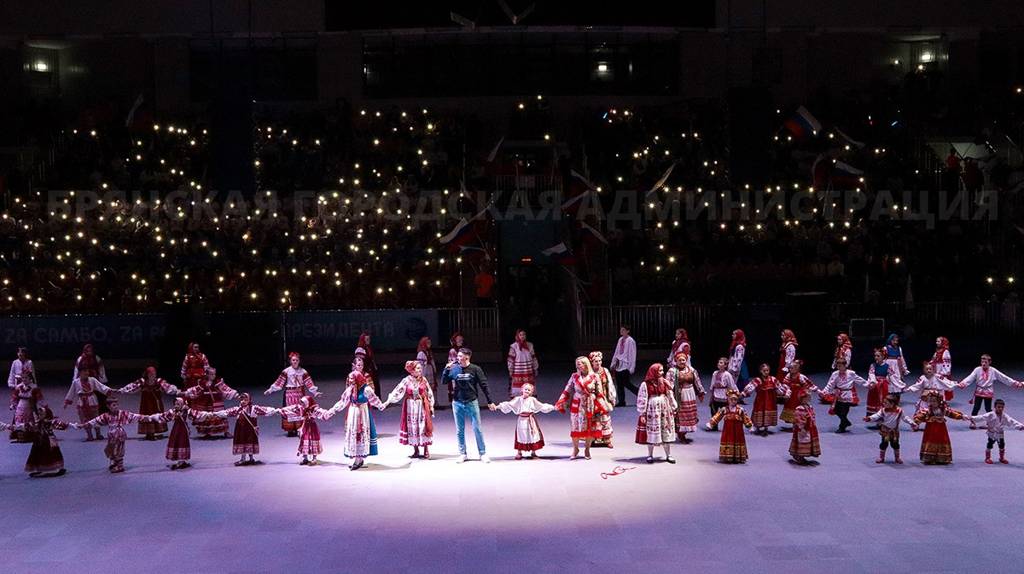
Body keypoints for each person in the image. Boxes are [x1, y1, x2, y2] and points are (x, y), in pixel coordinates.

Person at [442, 348, 495, 463]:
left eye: (460, 356)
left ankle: (483, 453)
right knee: (459, 430)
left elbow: (484, 385)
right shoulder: (455, 369)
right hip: (457, 403)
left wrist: (489, 401)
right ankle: (462, 453)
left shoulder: (475, 369)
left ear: (467, 357)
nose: (457, 358)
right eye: (458, 356)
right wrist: (446, 370)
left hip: (471, 402)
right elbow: (444, 381)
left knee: (477, 429)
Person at [73, 395, 152, 473]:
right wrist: (83, 425)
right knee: (111, 450)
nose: (116, 407)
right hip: (111, 435)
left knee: (119, 450)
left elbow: (135, 416)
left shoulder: (122, 413)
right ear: (108, 406)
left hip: (119, 435)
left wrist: (148, 417)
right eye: (114, 405)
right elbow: (95, 421)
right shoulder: (106, 415)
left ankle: (120, 466)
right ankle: (114, 463)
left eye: (117, 405)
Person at [327, 372, 384, 470]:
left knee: (360, 434)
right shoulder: (350, 389)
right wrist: (332, 411)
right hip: (353, 414)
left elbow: (374, 400)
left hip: (363, 414)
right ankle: (359, 459)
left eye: (352, 379)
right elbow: (342, 401)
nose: (350, 381)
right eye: (349, 378)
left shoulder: (366, 389)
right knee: (354, 434)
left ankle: (358, 459)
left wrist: (381, 406)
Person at [150, 398, 223, 470]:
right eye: (175, 404)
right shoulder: (173, 412)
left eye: (178, 404)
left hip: (183, 430)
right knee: (176, 442)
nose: (176, 406)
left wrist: (210, 414)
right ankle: (179, 461)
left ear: (182, 404)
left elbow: (197, 414)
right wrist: (151, 418)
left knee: (182, 443)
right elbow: (163, 416)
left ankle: (181, 461)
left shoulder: (187, 411)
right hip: (175, 430)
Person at [555, 356, 605, 460]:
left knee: (589, 427)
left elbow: (600, 392)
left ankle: (587, 449)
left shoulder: (595, 376)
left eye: (580, 363)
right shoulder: (574, 376)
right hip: (577, 404)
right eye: (577, 364)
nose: (578, 366)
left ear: (586, 364)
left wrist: (601, 405)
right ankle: (575, 448)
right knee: (575, 427)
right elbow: (567, 389)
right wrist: (561, 400)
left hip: (590, 404)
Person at [382, 361, 435, 459]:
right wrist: (388, 402)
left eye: (420, 368)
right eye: (418, 368)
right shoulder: (406, 380)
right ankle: (415, 450)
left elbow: (429, 393)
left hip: (421, 406)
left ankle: (426, 449)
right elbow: (397, 391)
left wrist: (431, 405)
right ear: (412, 370)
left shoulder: (423, 380)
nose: (420, 370)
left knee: (422, 426)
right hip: (411, 406)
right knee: (413, 427)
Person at [210, 393, 280, 466]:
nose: (243, 401)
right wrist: (215, 414)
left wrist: (275, 411)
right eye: (242, 399)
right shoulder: (237, 409)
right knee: (242, 441)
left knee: (250, 441)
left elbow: (265, 410)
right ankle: (243, 459)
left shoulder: (254, 408)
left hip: (250, 430)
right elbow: (227, 412)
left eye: (245, 400)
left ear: (249, 400)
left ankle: (251, 458)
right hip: (241, 430)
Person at [264, 352, 321, 437]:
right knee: (289, 410)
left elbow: (309, 383)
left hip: (299, 394)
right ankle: (290, 429)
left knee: (300, 410)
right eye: (293, 360)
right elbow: (280, 382)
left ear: (299, 361)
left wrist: (315, 392)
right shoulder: (286, 371)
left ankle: (299, 429)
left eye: (296, 360)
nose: (295, 362)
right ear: (290, 361)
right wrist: (271, 390)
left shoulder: (303, 371)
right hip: (289, 394)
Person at [116, 366, 181, 440]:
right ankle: (149, 433)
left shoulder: (159, 382)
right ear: (147, 374)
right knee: (147, 416)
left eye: (154, 373)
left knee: (157, 415)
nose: (153, 375)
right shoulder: (142, 382)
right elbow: (132, 387)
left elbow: (167, 387)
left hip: (156, 404)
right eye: (151, 374)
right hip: (146, 404)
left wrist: (177, 391)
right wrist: (122, 390)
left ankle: (154, 431)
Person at [494, 382, 556, 459]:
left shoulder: (532, 400)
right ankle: (519, 452)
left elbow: (542, 406)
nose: (527, 391)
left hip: (530, 420)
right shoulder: (518, 399)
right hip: (521, 420)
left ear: (531, 392)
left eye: (529, 390)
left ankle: (533, 452)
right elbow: (508, 405)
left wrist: (554, 407)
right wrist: (497, 407)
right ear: (522, 390)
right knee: (521, 435)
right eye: (525, 389)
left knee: (532, 435)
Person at [956, 354, 1022, 424]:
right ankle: (973, 422)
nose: (983, 364)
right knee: (976, 407)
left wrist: (1015, 383)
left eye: (985, 362)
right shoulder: (977, 370)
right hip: (979, 391)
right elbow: (970, 377)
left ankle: (990, 423)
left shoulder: (993, 370)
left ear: (989, 362)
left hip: (988, 392)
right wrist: (963, 383)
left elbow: (1003, 377)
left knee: (988, 409)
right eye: (982, 362)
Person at [635, 363, 678, 464]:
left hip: (664, 408)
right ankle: (650, 455)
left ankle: (668, 455)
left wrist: (673, 406)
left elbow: (669, 394)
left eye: (662, 370)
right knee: (652, 432)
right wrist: (642, 413)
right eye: (660, 371)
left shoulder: (665, 382)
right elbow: (642, 398)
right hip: (652, 410)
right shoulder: (645, 384)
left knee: (666, 431)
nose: (662, 373)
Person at [180, 367, 238, 438]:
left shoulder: (218, 382)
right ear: (207, 374)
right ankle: (207, 432)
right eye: (211, 374)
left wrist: (236, 395)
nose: (213, 376)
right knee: (206, 417)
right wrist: (188, 392)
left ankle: (226, 431)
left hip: (217, 402)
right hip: (206, 403)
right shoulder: (202, 382)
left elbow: (225, 388)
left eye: (214, 374)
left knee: (221, 415)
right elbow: (196, 389)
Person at [818, 357, 871, 433]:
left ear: (845, 365)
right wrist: (824, 392)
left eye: (840, 366)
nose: (838, 367)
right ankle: (846, 421)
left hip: (847, 394)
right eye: (837, 366)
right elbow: (830, 384)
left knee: (844, 411)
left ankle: (842, 427)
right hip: (839, 394)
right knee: (836, 410)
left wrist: (868, 385)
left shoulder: (851, 373)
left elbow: (859, 380)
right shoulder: (835, 374)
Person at [965, 398, 1024, 464]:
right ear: (995, 407)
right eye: (999, 407)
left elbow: (1012, 421)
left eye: (1002, 407)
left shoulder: (1005, 416)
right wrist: (971, 418)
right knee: (990, 445)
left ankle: (1001, 458)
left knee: (1002, 445)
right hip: (992, 433)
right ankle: (987, 458)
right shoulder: (990, 414)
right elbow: (981, 417)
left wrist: (1020, 426)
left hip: (1000, 433)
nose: (1000, 409)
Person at [912, 393, 965, 465]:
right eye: (930, 401)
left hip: (941, 429)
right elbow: (920, 416)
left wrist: (961, 416)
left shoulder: (943, 409)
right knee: (931, 440)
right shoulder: (927, 410)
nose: (932, 403)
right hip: (931, 429)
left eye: (934, 401)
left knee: (942, 440)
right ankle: (930, 458)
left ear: (938, 401)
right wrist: (916, 421)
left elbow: (951, 413)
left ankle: (942, 458)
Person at [21, 405, 73, 477]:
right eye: (39, 414)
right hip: (38, 442)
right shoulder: (37, 423)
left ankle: (57, 468)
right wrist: (11, 427)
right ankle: (40, 469)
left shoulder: (50, 422)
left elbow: (64, 425)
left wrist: (77, 425)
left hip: (49, 441)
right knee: (38, 455)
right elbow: (26, 426)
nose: (39, 415)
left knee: (53, 454)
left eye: (41, 414)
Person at [863, 394, 914, 464]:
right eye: (884, 402)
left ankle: (897, 457)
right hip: (885, 430)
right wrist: (869, 418)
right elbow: (877, 415)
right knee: (884, 444)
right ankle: (881, 457)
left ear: (892, 403)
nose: (883, 404)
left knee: (895, 444)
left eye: (886, 403)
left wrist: (912, 423)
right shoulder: (883, 410)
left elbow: (905, 418)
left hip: (894, 431)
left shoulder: (899, 411)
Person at [63, 370, 115, 441]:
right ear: (80, 373)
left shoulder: (92, 380)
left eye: (87, 371)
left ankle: (98, 434)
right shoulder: (76, 382)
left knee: (96, 417)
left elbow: (100, 386)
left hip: (92, 401)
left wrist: (109, 391)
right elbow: (71, 392)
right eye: (84, 372)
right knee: (84, 419)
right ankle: (89, 435)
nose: (86, 373)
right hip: (82, 403)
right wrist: (67, 402)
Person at [705, 390, 753, 463]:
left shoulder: (740, 410)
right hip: (728, 431)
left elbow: (745, 418)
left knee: (737, 441)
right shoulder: (725, 409)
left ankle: (737, 457)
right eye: (731, 399)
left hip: (738, 431)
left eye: (735, 399)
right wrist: (711, 424)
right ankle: (727, 456)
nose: (733, 401)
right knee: (728, 441)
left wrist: (749, 426)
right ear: (728, 400)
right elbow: (717, 416)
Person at [667, 352, 704, 443]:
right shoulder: (672, 371)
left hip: (690, 393)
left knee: (689, 414)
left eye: (683, 360)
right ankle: (681, 434)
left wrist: (701, 392)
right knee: (680, 414)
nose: (682, 362)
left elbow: (697, 381)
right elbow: (668, 384)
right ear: (676, 361)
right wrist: (668, 394)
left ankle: (684, 433)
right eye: (679, 360)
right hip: (680, 395)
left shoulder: (691, 369)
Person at [742, 363, 788, 435]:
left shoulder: (773, 379)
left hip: (770, 401)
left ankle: (766, 427)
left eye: (767, 370)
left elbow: (779, 387)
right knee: (760, 411)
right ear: (761, 371)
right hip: (760, 401)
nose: (766, 372)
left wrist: (785, 393)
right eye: (764, 371)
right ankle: (758, 427)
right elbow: (750, 387)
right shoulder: (758, 380)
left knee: (768, 412)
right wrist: (743, 394)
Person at [588, 351, 617, 447]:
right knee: (593, 419)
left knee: (605, 418)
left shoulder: (605, 371)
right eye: (596, 361)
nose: (598, 363)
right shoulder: (589, 372)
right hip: (592, 399)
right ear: (591, 362)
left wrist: (611, 397)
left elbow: (610, 384)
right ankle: (593, 438)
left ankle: (607, 439)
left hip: (603, 398)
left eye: (599, 361)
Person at [73, 343, 109, 415]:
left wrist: (103, 379)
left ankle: (102, 413)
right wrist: (75, 380)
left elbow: (101, 369)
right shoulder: (80, 359)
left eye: (91, 351)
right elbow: (76, 370)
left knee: (100, 397)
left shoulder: (96, 358)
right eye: (88, 351)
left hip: (95, 380)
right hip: (84, 381)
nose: (89, 352)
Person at [9, 372, 44, 443]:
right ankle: (20, 436)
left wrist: (42, 406)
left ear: (30, 378)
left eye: (26, 378)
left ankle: (29, 436)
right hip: (20, 406)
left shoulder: (34, 387)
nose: (24, 379)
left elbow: (39, 398)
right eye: (23, 378)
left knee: (29, 421)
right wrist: (13, 404)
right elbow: (15, 397)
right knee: (19, 420)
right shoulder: (19, 387)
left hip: (29, 406)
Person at [780, 360, 814, 430]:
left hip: (798, 396)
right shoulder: (788, 375)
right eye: (790, 368)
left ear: (797, 369)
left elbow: (807, 385)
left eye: (792, 368)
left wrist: (805, 394)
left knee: (797, 408)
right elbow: (785, 383)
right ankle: (793, 424)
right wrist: (784, 392)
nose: (790, 369)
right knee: (790, 407)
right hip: (790, 396)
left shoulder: (801, 376)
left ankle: (796, 424)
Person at [789, 392, 821, 465]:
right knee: (803, 440)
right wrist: (801, 427)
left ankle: (803, 455)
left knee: (807, 439)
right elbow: (798, 419)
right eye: (808, 397)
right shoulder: (800, 408)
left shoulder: (809, 406)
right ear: (803, 399)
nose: (810, 398)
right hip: (804, 428)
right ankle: (799, 456)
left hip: (810, 427)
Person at [706, 358, 738, 429]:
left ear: (725, 365)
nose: (719, 364)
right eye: (719, 362)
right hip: (715, 395)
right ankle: (714, 426)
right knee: (713, 410)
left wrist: (733, 395)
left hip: (724, 396)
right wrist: (711, 392)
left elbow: (731, 385)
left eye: (721, 363)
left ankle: (730, 427)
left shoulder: (727, 375)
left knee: (727, 412)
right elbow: (712, 384)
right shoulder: (715, 373)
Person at [609, 325, 637, 407]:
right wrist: (613, 363)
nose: (622, 331)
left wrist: (631, 367)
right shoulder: (620, 340)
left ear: (628, 331)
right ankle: (621, 401)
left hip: (626, 364)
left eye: (623, 330)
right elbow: (617, 352)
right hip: (619, 364)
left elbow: (632, 354)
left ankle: (640, 394)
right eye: (621, 330)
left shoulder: (630, 341)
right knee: (619, 384)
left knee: (627, 383)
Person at [507, 329, 539, 398]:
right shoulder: (514, 346)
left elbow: (533, 357)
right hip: (518, 370)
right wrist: (510, 369)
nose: (522, 336)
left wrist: (535, 368)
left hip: (528, 369)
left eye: (524, 334)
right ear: (517, 336)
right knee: (518, 385)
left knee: (529, 384)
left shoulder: (530, 345)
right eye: (520, 335)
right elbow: (510, 360)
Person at [865, 348, 895, 419]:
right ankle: (876, 417)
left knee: (883, 400)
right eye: (875, 356)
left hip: (884, 386)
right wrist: (873, 382)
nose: (876, 357)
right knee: (874, 400)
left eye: (878, 356)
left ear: (883, 356)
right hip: (875, 385)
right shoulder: (873, 365)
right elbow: (871, 374)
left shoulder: (887, 366)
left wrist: (893, 385)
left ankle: (883, 417)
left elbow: (891, 376)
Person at [823, 333, 853, 404]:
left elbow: (847, 360)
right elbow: (836, 357)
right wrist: (833, 365)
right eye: (838, 339)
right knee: (834, 382)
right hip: (838, 367)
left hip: (844, 369)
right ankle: (831, 396)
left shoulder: (847, 350)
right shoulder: (838, 348)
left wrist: (843, 368)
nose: (838, 341)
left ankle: (843, 398)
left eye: (840, 339)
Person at [416, 337, 442, 409]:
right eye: (427, 343)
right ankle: (426, 404)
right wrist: (421, 376)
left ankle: (433, 403)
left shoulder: (428, 352)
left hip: (430, 371)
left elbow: (432, 361)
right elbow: (421, 366)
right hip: (426, 372)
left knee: (432, 387)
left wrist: (434, 369)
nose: (429, 344)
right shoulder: (421, 353)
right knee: (425, 388)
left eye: (430, 343)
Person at [931, 337, 953, 402]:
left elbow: (947, 363)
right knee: (936, 386)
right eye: (936, 341)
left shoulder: (945, 351)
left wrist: (945, 372)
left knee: (941, 387)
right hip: (936, 371)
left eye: (938, 341)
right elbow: (933, 360)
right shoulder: (937, 351)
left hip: (942, 372)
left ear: (942, 343)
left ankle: (942, 401)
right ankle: (937, 400)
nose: (936, 343)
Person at [446, 332, 465, 404]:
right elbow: (455, 362)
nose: (461, 341)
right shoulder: (453, 350)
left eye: (461, 340)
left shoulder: (461, 350)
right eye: (459, 340)